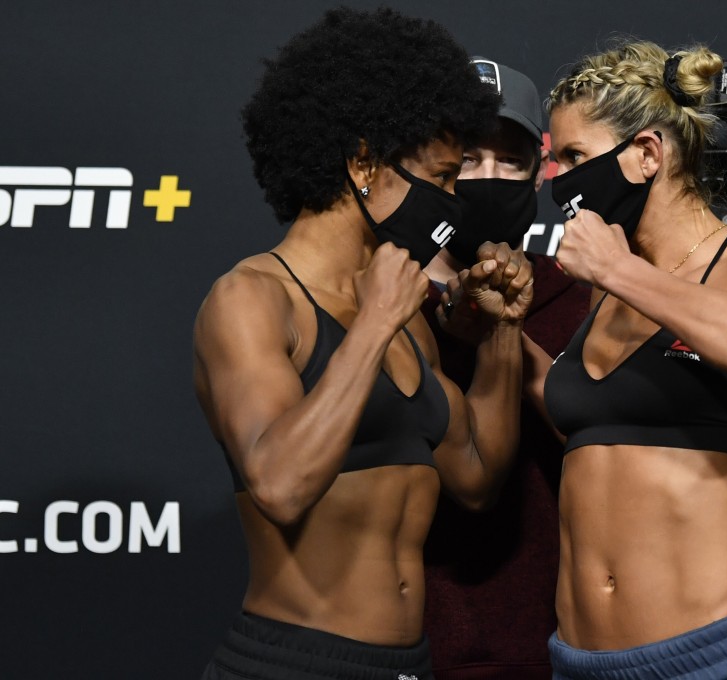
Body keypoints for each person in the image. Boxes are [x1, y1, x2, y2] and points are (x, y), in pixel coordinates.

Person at [192, 8, 534, 680]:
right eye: (438, 178)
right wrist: (374, 325)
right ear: (362, 163)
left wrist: (502, 332)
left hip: (410, 663)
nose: (452, 202)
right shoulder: (253, 298)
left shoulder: (402, 309)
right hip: (291, 663)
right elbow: (281, 486)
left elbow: (475, 476)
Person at [539, 40, 727, 679]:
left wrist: (614, 268)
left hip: (717, 658)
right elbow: (604, 434)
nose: (555, 181)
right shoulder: (608, 290)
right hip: (580, 661)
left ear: (646, 154)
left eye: (574, 157)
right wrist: (497, 333)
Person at [420, 59, 590, 679]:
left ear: (539, 173)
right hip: (413, 643)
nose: (487, 178)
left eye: (508, 161)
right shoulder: (385, 302)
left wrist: (505, 325)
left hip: (557, 643)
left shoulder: (580, 298)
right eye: (468, 159)